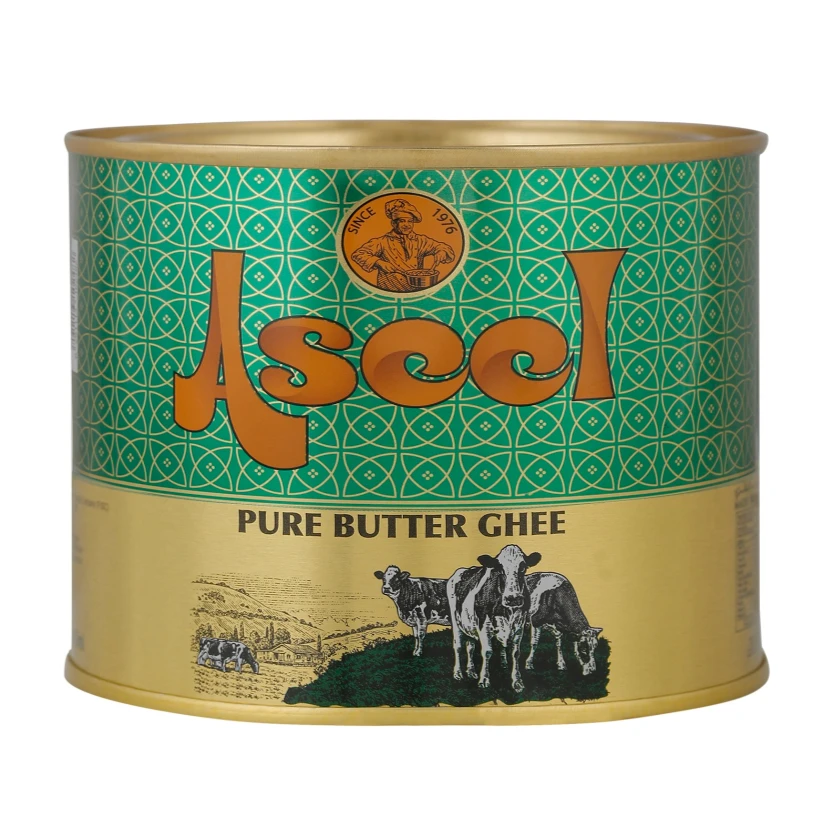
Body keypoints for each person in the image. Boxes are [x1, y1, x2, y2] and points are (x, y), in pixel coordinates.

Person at [351, 198, 455, 292]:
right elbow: (358, 254)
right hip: (389, 290)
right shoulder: (381, 242)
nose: (407, 225)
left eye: (410, 221)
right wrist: (378, 262)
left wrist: (442, 252)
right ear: (393, 224)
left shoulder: (420, 240)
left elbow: (442, 247)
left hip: (417, 291)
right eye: (402, 221)